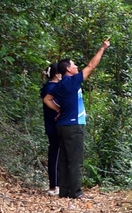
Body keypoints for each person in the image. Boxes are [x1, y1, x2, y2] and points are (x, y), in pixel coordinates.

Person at [43, 39, 110, 199]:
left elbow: (47, 99)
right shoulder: (72, 82)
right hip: (74, 126)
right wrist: (102, 48)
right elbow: (91, 66)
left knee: (65, 159)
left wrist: (58, 109)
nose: (76, 67)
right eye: (73, 65)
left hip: (62, 126)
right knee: (75, 159)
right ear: (67, 69)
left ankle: (65, 191)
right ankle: (76, 192)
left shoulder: (59, 85)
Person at [40, 64, 63, 196]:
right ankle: (54, 185)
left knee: (58, 154)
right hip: (53, 125)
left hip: (55, 125)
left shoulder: (50, 87)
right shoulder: (50, 88)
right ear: (57, 74)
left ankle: (58, 184)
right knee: (55, 154)